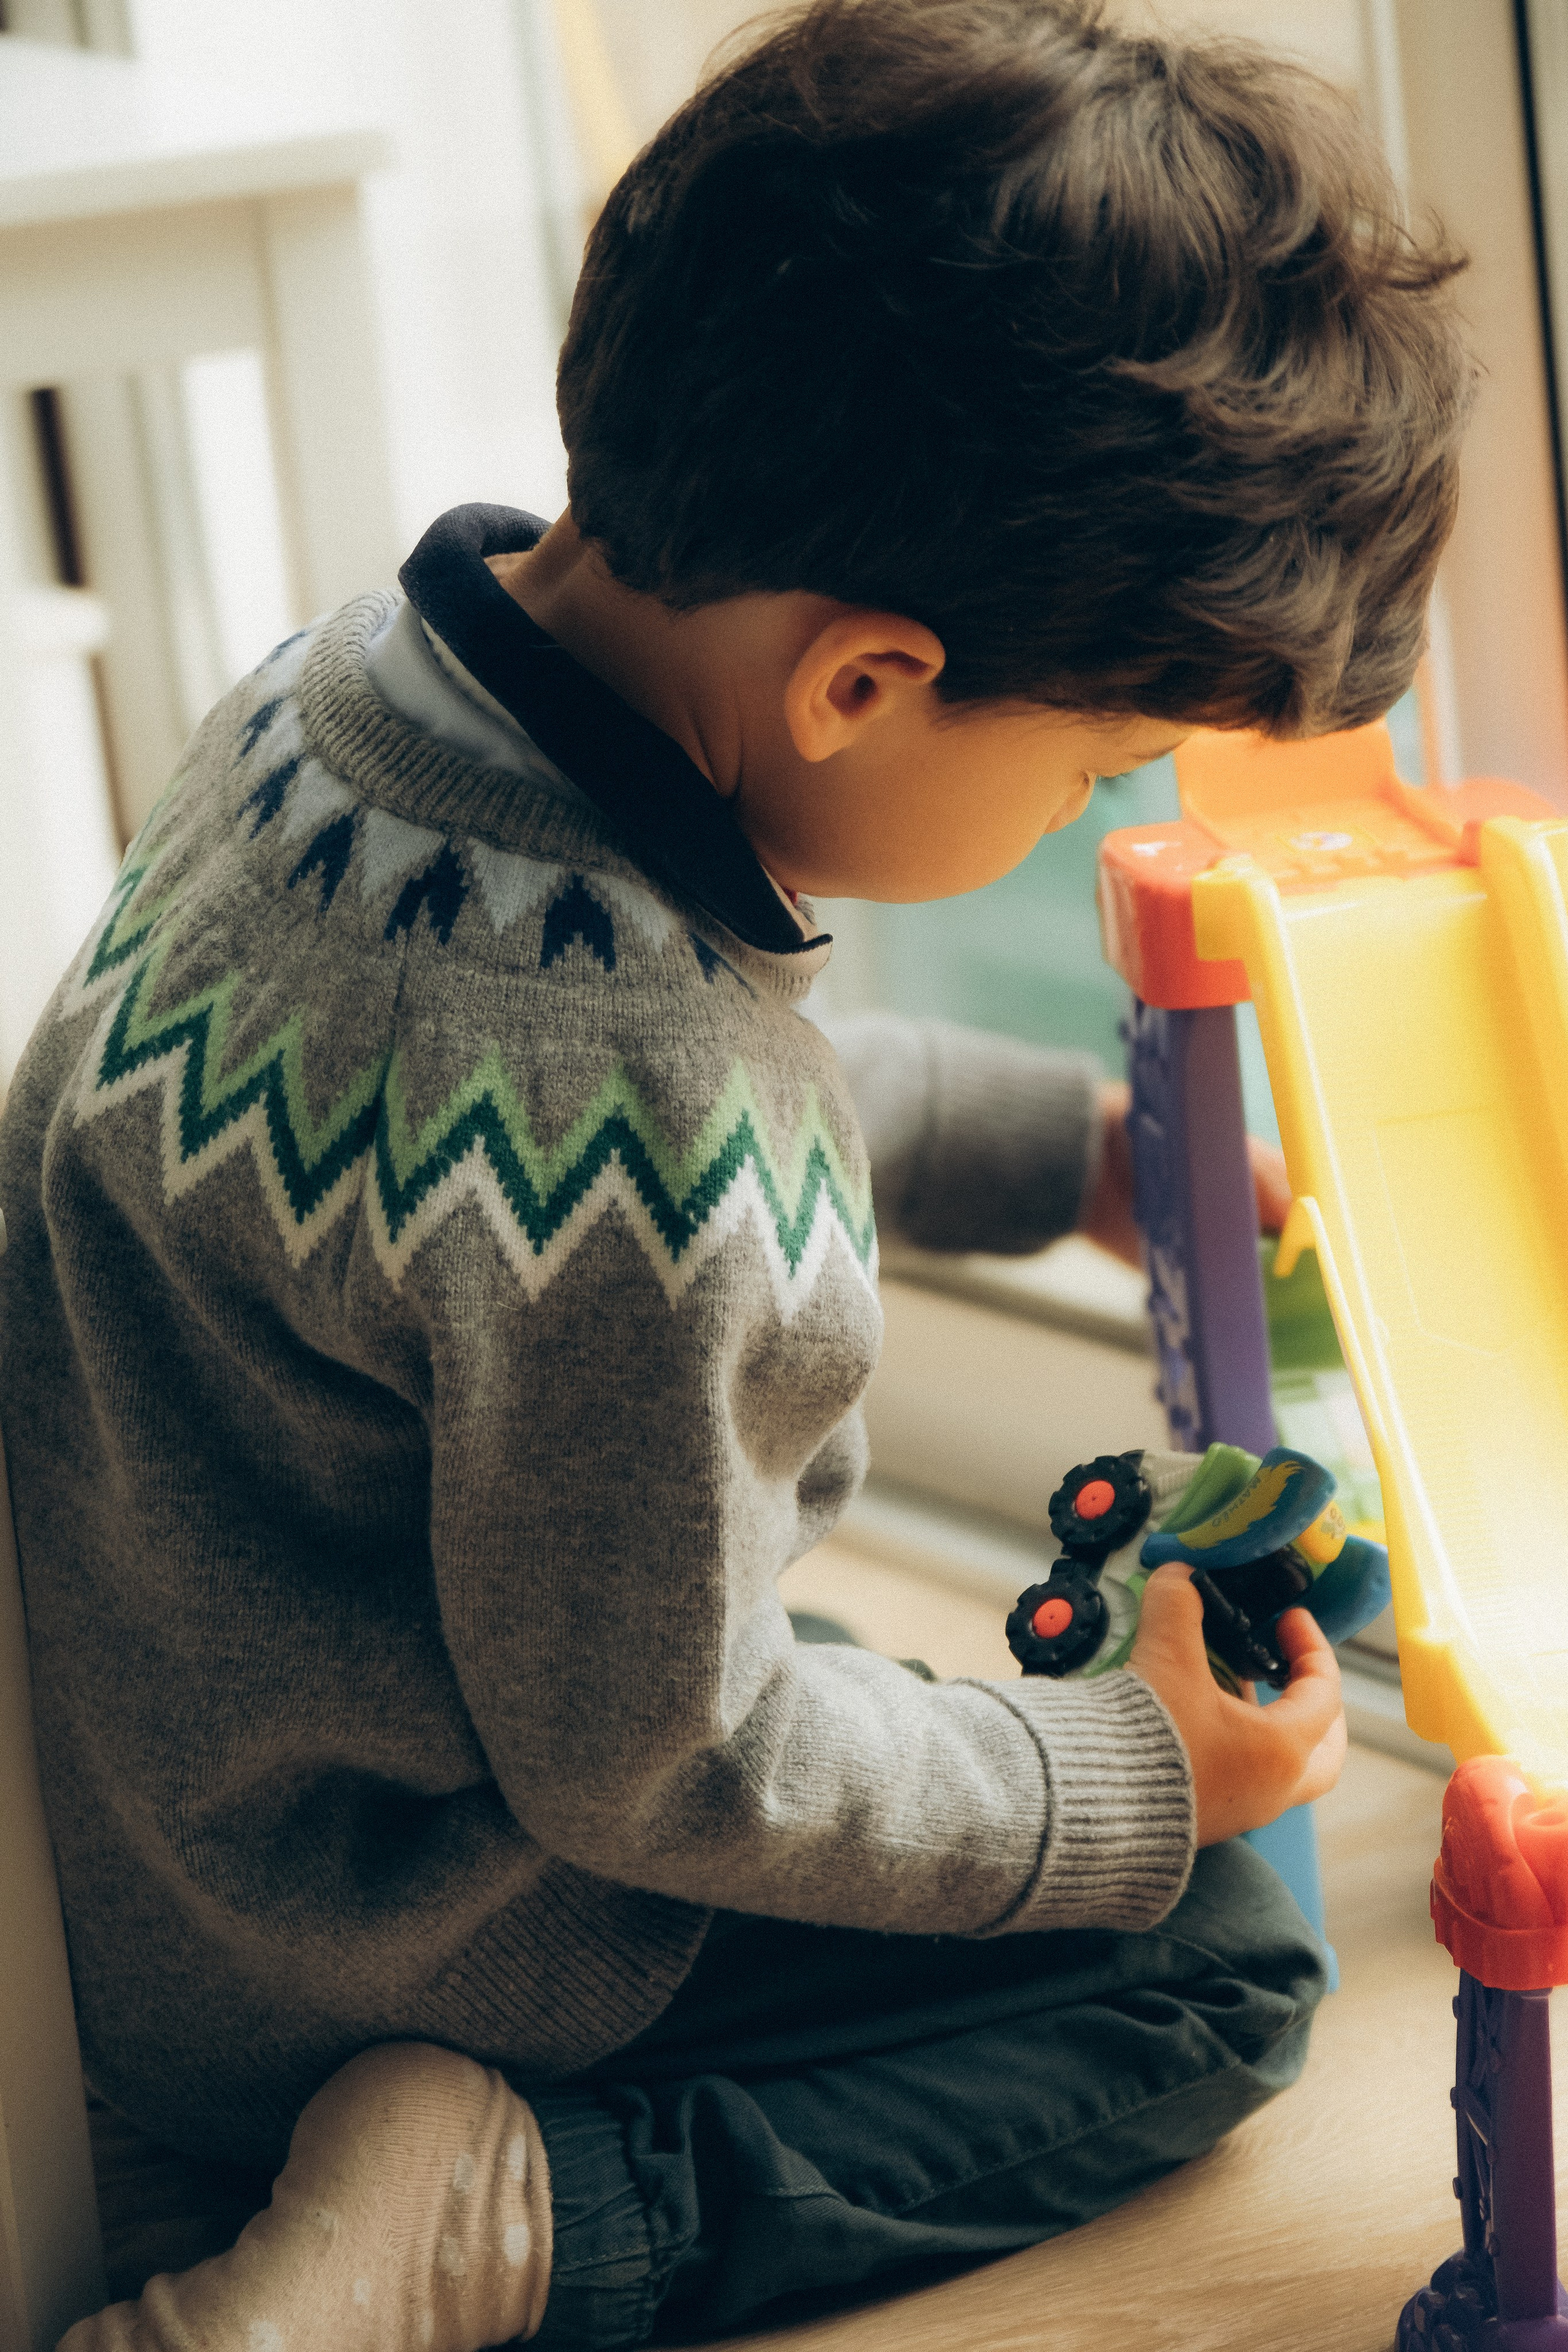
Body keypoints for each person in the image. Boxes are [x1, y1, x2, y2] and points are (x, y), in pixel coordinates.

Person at [0, 2, 1469, 2346]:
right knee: (1209, 1969)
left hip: (198, 1754)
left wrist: (1040, 1146)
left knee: (955, 1736)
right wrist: (1126, 1773)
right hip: (383, 1915)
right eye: (1098, 765)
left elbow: (609, 1135)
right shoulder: (648, 1139)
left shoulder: (348, 702)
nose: (1092, 810)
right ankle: (503, 2212)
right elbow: (671, 1760)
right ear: (863, 686)